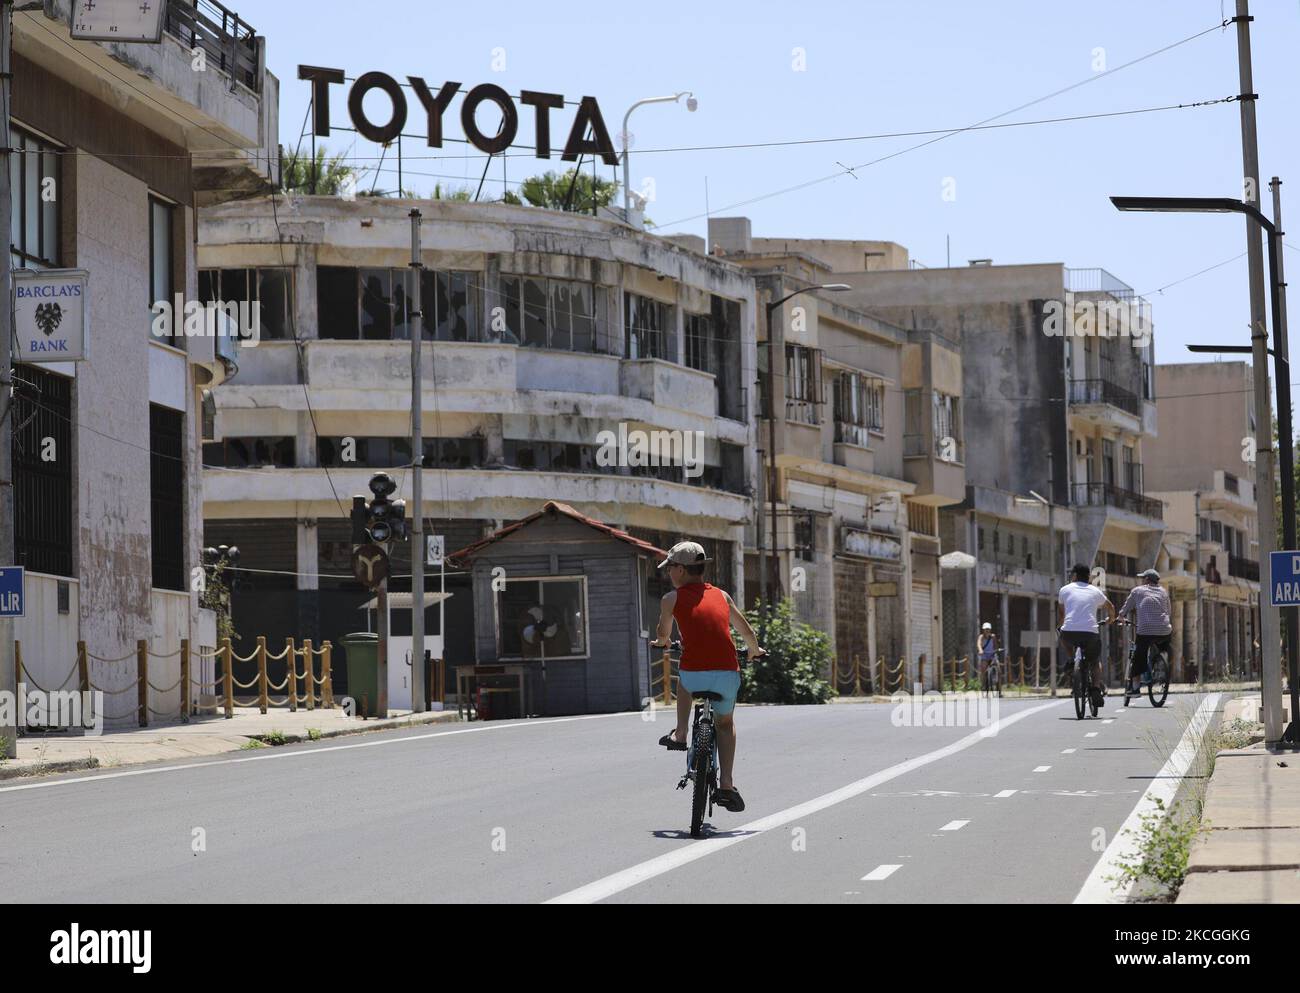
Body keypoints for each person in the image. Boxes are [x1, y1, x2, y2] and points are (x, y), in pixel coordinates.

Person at [651, 540, 766, 813]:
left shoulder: (671, 599)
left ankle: (680, 734)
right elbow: (745, 630)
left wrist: (661, 641)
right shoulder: (723, 596)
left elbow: (663, 633)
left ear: (680, 569)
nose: (669, 573)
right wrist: (754, 650)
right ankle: (726, 783)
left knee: (684, 684)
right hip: (727, 673)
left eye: (670, 568)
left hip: (694, 675)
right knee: (725, 724)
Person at [1057, 563, 1116, 708]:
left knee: (1062, 635)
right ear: (1088, 577)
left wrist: (1059, 626)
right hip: (1090, 633)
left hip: (1069, 632)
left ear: (1075, 576)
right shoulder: (1095, 591)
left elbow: (1062, 614)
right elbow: (1111, 607)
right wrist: (1111, 619)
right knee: (1095, 661)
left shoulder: (1064, 590)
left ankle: (1071, 659)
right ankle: (1096, 688)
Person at [1119, 569, 1172, 695]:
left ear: (1147, 579)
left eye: (1143, 578)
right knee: (1163, 647)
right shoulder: (1164, 592)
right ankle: (1161, 665)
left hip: (1145, 630)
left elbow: (1126, 608)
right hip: (1165, 629)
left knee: (1138, 657)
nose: (1142, 580)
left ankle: (1136, 688)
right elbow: (1168, 611)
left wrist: (1121, 616)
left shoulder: (1137, 591)